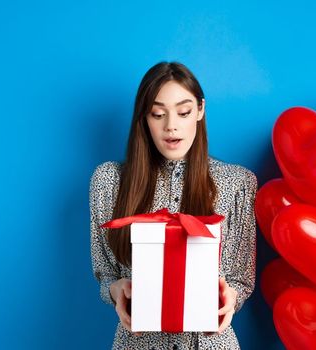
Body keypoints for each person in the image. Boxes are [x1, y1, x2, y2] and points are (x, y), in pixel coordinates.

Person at [89, 61, 257, 349]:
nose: (171, 126)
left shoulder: (238, 184)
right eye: (157, 114)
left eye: (183, 112)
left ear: (200, 111)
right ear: (144, 117)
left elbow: (241, 278)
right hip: (138, 343)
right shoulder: (109, 182)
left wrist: (231, 297)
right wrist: (117, 290)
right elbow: (106, 273)